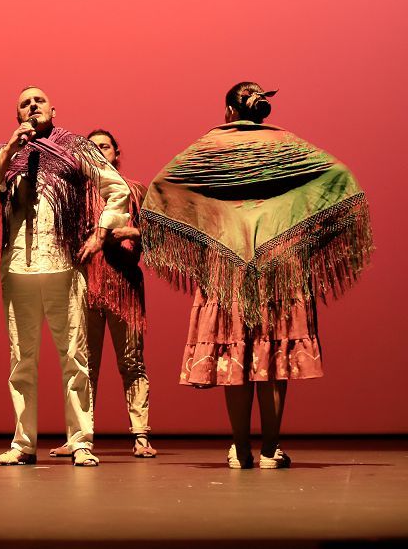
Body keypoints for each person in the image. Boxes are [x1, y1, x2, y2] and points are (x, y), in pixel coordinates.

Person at [141, 83, 373, 469]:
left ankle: (240, 449)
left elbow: (164, 185)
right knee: (272, 353)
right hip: (279, 264)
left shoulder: (211, 146)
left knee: (235, 352)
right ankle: (269, 449)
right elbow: (339, 177)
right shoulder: (287, 145)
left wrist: (217, 221)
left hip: (227, 265)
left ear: (229, 111)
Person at [0, 86, 131, 467]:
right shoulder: (3, 153)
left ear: (53, 109)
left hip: (63, 263)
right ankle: (23, 443)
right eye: (25, 103)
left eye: (39, 101)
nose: (32, 106)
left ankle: (80, 442)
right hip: (18, 268)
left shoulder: (76, 147)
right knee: (20, 359)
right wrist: (10, 151)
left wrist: (101, 231)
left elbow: (118, 189)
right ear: (17, 116)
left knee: (74, 356)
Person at [49, 129, 156, 459]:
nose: (99, 151)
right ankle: (80, 436)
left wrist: (124, 232)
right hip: (84, 286)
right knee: (83, 364)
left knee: (132, 363)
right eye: (92, 148)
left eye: (104, 146)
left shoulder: (134, 191)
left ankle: (140, 435)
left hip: (123, 285)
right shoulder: (75, 195)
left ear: (116, 153)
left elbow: (155, 237)